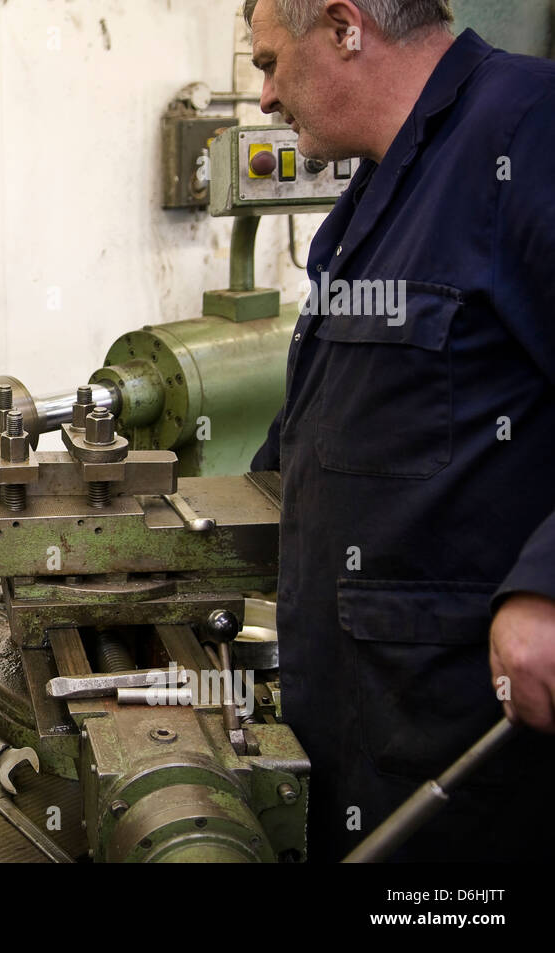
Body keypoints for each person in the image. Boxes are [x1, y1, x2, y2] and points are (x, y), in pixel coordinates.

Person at [245, 0, 555, 862]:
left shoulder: (527, 129)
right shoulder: (388, 183)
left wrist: (549, 583)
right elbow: (351, 412)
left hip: (472, 737)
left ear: (346, 27)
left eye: (271, 63)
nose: (265, 99)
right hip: (365, 717)